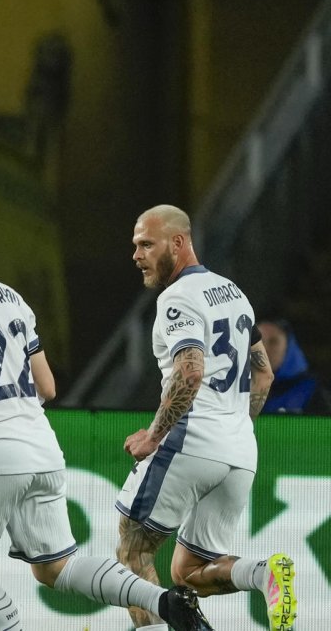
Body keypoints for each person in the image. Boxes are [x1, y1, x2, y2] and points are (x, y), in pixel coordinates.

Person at [0, 202, 212, 631]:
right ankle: (165, 601)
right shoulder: (10, 297)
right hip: (41, 446)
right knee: (56, 567)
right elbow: (46, 386)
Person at [114, 204, 293, 631]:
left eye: (146, 244)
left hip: (190, 440)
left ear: (177, 242)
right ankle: (263, 574)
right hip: (240, 449)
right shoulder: (233, 292)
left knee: (133, 548)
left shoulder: (177, 297)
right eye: (135, 245)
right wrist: (233, 427)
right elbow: (264, 374)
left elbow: (190, 371)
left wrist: (153, 435)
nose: (136, 255)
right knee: (189, 571)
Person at [257, 317, 330, 415]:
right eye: (257, 342)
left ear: (288, 347)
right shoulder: (239, 389)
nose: (263, 349)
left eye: (273, 341)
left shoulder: (313, 391)